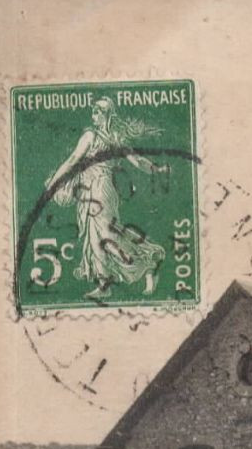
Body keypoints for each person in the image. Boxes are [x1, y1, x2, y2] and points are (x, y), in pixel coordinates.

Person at [44, 97, 170, 301]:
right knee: (101, 234)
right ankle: (106, 283)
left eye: (97, 112)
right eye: (93, 112)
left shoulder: (92, 136)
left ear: (106, 114)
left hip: (99, 189)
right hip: (94, 188)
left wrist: (53, 183)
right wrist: (156, 169)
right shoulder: (114, 137)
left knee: (104, 235)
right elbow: (137, 161)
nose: (93, 115)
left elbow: (73, 160)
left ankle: (146, 263)